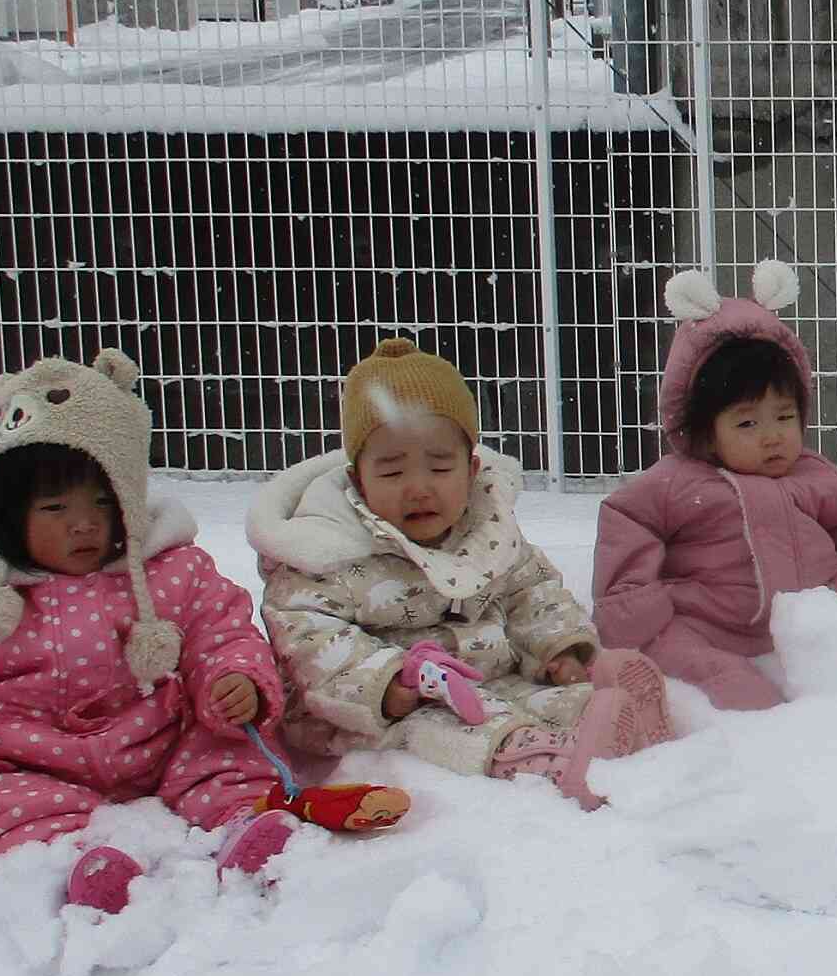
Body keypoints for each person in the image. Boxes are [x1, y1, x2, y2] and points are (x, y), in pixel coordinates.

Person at [0, 349, 404, 915]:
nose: (85, 523)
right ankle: (76, 861)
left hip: (160, 737)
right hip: (28, 758)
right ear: (0, 513)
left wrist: (234, 677)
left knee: (224, 752)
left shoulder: (172, 570)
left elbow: (222, 632)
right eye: (54, 507)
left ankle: (247, 825)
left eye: (104, 501)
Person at [250, 338, 671, 809]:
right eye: (391, 473)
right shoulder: (324, 552)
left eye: (439, 466)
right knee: (460, 726)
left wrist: (560, 648)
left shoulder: (484, 530)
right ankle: (536, 761)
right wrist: (392, 684)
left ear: (471, 470)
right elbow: (308, 639)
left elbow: (529, 590)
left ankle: (604, 715)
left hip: (489, 676)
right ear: (357, 479)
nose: (418, 488)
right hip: (383, 712)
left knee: (546, 701)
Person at [593, 263, 837, 708]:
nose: (773, 436)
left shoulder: (816, 474)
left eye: (785, 417)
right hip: (713, 613)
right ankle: (720, 677)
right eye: (747, 422)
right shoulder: (676, 482)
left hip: (820, 600)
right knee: (672, 640)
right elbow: (628, 522)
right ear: (705, 431)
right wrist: (631, 599)